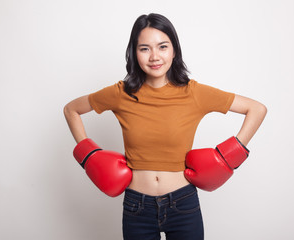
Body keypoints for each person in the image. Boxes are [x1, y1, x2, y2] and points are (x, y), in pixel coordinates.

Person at [64, 13, 267, 240]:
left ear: (174, 50)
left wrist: (230, 156)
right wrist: (89, 156)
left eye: (162, 46)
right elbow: (71, 110)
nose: (154, 56)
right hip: (136, 206)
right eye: (144, 48)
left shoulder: (194, 93)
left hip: (183, 204)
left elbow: (256, 109)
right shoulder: (121, 93)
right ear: (134, 52)